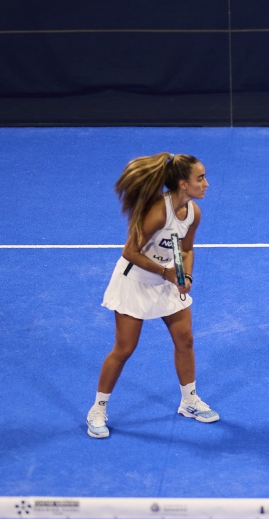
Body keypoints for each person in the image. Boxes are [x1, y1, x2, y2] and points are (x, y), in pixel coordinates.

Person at [87, 153, 219, 438]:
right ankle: (97, 409)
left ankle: (189, 401)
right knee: (124, 348)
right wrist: (166, 272)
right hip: (135, 281)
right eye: (200, 178)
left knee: (185, 339)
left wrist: (186, 275)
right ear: (183, 184)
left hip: (166, 279)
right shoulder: (158, 211)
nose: (206, 183)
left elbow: (186, 249)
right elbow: (130, 252)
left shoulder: (193, 212)